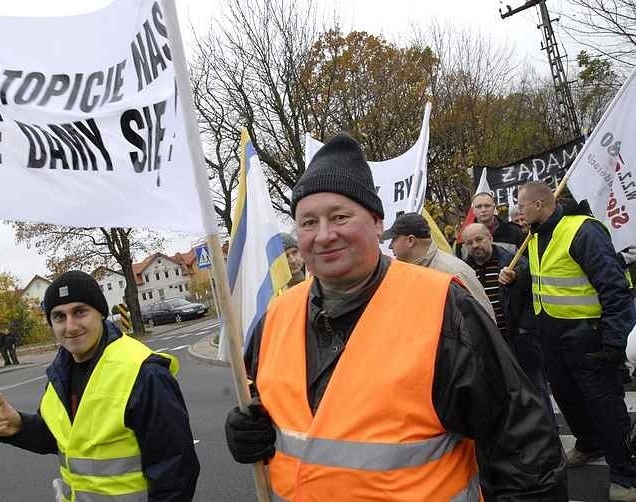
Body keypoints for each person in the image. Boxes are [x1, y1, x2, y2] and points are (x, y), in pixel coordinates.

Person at [224, 133, 566, 501]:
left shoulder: (444, 307)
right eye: (308, 222)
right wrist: (250, 428)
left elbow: (524, 451)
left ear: (376, 223)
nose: (323, 235)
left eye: (339, 216)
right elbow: (267, 404)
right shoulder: (277, 316)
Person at [0, 270, 199, 501]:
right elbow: (68, 441)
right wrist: (20, 426)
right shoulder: (60, 372)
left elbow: (175, 473)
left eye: (80, 312)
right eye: (59, 316)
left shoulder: (144, 373)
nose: (71, 326)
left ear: (100, 314)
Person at [518, 181, 636, 501]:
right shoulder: (536, 236)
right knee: (569, 399)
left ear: (541, 205)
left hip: (588, 338)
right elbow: (544, 285)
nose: (518, 212)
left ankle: (625, 477)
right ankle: (588, 444)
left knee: (606, 408)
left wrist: (614, 341)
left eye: (522, 206)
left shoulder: (583, 231)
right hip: (554, 339)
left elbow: (615, 287)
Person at [461, 222, 554, 421]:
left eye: (479, 239)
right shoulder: (463, 271)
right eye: (469, 243)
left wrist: (524, 327)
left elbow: (534, 296)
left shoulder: (515, 262)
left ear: (490, 238)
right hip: (491, 346)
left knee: (535, 391)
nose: (475, 245)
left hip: (520, 341)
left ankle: (548, 437)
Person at [387, 212, 496, 321]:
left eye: (394, 239)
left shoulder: (453, 271)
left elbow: (484, 322)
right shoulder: (409, 273)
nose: (390, 246)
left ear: (410, 240)